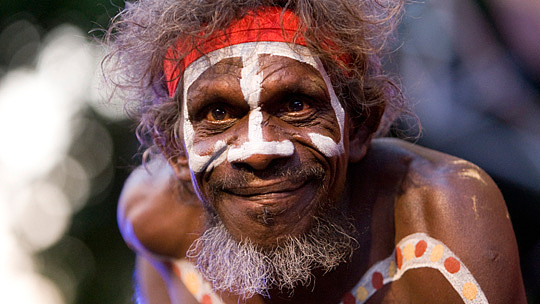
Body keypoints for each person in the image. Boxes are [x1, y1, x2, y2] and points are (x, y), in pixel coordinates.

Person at [105, 1, 526, 303]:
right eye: (217, 113)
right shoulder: (155, 224)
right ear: (177, 151)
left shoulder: (443, 228)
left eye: (296, 105)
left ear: (359, 126)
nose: (258, 150)